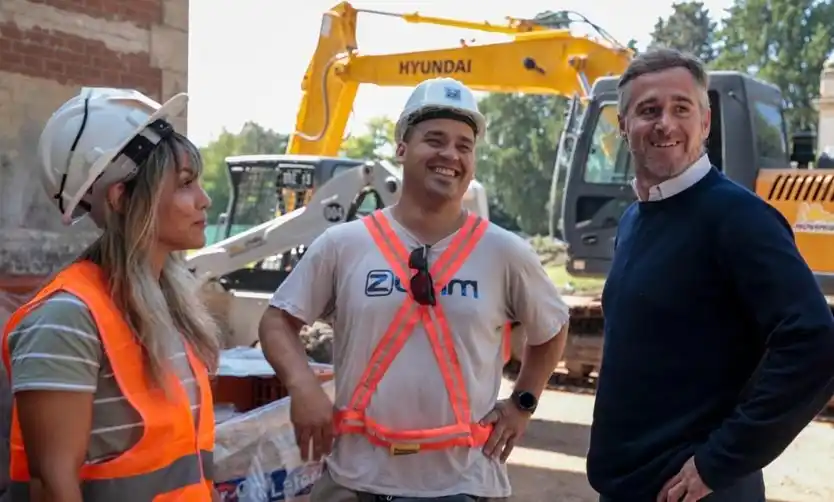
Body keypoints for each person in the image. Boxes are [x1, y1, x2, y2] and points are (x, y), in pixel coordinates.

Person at [257, 76, 570, 501]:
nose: (450, 155)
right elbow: (278, 320)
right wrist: (303, 386)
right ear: (402, 148)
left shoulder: (504, 252)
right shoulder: (345, 245)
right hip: (355, 480)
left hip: (462, 484)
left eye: (464, 146)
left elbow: (553, 327)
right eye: (435, 140)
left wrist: (523, 404)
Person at [586, 48, 834, 502]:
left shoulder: (739, 218)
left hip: (692, 492)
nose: (665, 123)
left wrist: (718, 462)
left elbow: (816, 342)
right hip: (627, 486)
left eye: (681, 108)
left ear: (705, 121)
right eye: (648, 110)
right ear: (623, 126)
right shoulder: (636, 219)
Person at [1, 88, 221, 501]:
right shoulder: (67, 319)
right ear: (120, 197)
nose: (204, 200)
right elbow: (53, 487)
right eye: (185, 184)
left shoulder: (166, 306)